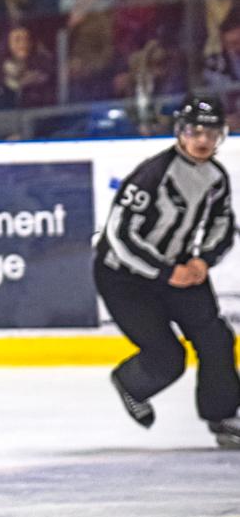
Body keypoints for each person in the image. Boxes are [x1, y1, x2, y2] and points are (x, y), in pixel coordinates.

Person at [94, 94, 240, 449]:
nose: (203, 140)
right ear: (180, 132)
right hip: (124, 279)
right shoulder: (153, 174)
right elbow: (119, 234)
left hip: (179, 270)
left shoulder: (216, 178)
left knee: (217, 340)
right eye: (195, 132)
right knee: (167, 358)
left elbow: (223, 224)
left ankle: (222, 416)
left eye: (211, 133)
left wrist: (202, 261)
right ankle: (131, 382)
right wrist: (164, 272)